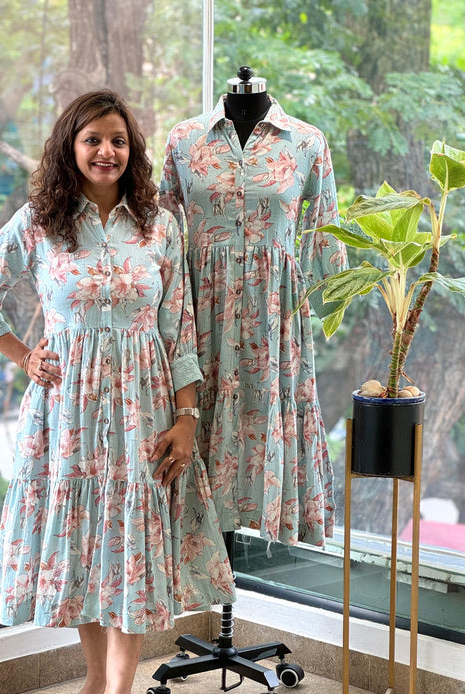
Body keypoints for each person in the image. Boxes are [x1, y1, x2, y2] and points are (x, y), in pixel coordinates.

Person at [0, 90, 235, 694]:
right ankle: (97, 682)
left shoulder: (160, 226)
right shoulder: (40, 223)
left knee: (130, 544)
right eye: (92, 140)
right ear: (69, 148)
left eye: (118, 139)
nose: (107, 151)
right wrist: (26, 355)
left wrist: (187, 418)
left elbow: (182, 330)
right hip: (69, 411)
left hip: (143, 405)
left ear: (131, 149)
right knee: (85, 546)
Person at [159, 67, 347, 548]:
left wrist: (331, 293)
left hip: (275, 311)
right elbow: (160, 230)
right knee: (197, 411)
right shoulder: (184, 139)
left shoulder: (307, 142)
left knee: (268, 408)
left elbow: (326, 229)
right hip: (201, 308)